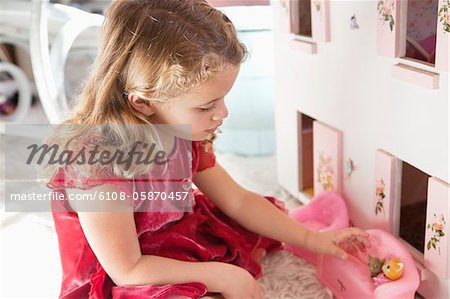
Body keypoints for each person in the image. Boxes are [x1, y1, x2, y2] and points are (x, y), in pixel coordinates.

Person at [46, 1, 370, 298]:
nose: (223, 114)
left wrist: (313, 239)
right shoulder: (96, 165)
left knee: (245, 225)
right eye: (206, 107)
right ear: (143, 103)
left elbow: (238, 200)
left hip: (165, 236)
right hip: (122, 266)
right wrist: (224, 277)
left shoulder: (181, 133)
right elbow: (127, 270)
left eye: (223, 99)